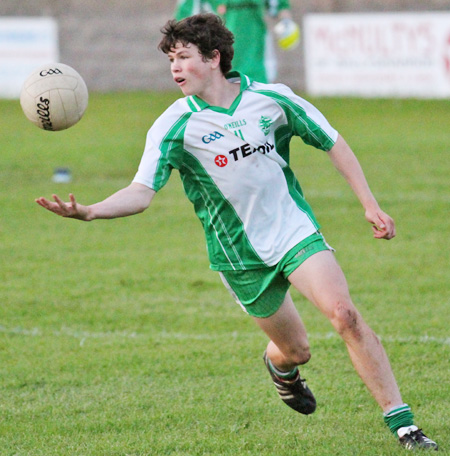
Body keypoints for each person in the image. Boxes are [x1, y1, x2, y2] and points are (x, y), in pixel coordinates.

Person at [35, 14, 438, 451]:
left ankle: (404, 426)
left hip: (292, 231)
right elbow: (141, 191)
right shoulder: (174, 125)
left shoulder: (271, 99)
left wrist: (370, 204)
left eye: (183, 57)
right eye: (170, 59)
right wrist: (91, 211)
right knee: (296, 350)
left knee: (344, 314)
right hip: (238, 254)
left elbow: (332, 141)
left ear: (213, 58)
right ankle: (281, 368)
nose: (174, 68)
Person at [174, 0, 300, 83]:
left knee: (260, 116)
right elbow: (185, 19)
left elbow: (280, 6)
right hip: (221, 63)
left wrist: (286, 22)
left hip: (258, 61)